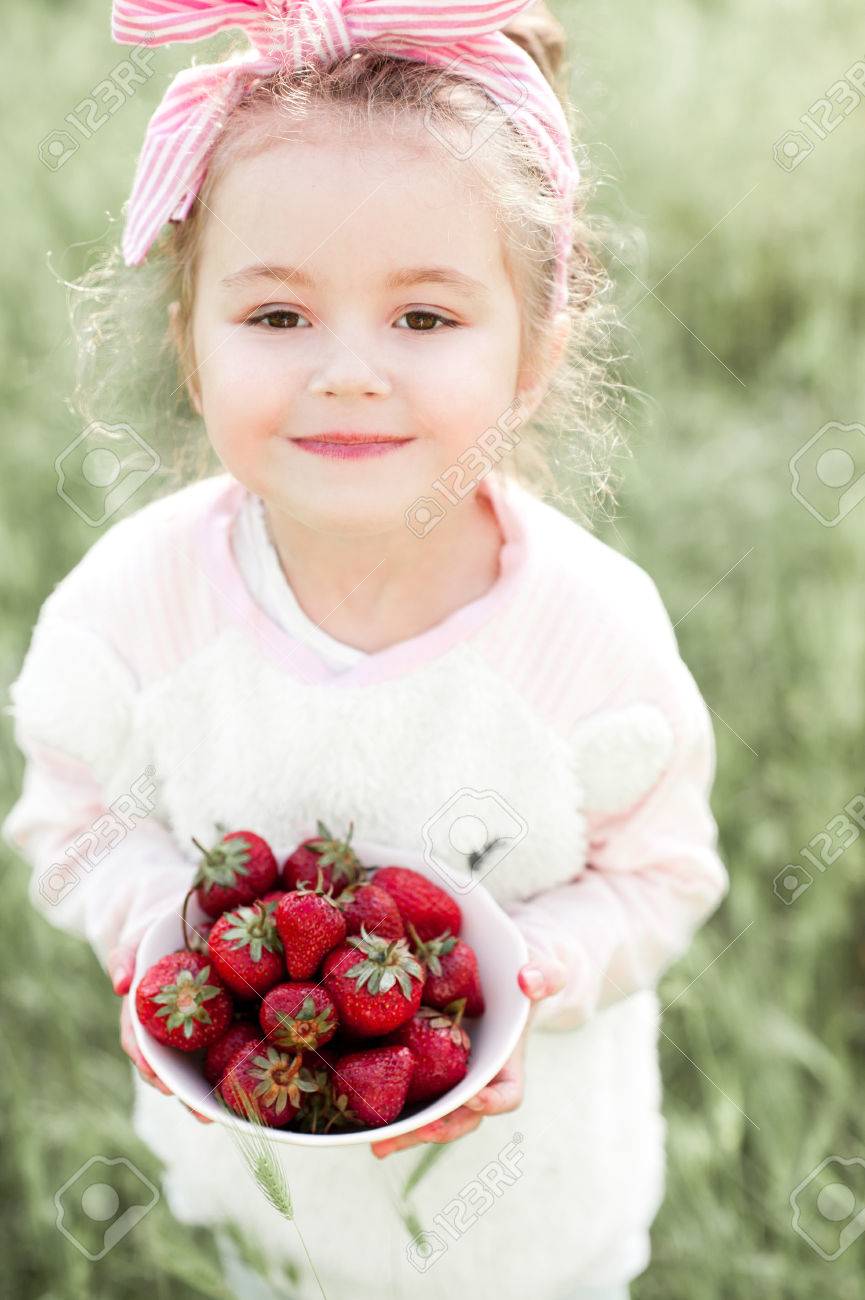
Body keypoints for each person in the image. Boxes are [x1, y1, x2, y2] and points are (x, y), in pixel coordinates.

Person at [2, 1, 729, 1297]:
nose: (346, 371)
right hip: (253, 1181)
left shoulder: (585, 635)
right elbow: (75, 820)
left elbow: (662, 876)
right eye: (276, 317)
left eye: (425, 320)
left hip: (528, 1216)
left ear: (531, 353)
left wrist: (525, 973)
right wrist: (160, 936)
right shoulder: (135, 611)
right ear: (188, 341)